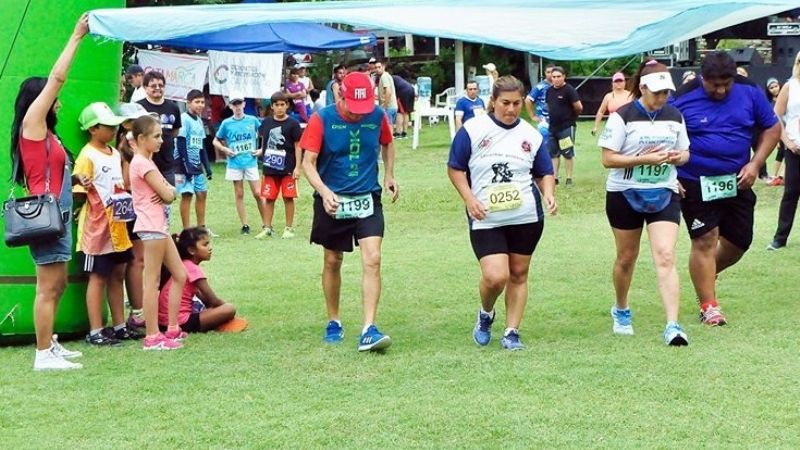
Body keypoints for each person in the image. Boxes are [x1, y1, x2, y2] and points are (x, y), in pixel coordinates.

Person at [670, 51, 780, 326]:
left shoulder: (750, 92)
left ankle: (705, 274)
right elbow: (665, 135)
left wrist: (756, 164)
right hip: (694, 180)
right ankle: (709, 305)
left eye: (725, 84)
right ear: (702, 78)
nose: (720, 90)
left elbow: (772, 128)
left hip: (737, 179)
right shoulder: (683, 96)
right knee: (705, 239)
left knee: (739, 242)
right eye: (713, 85)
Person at [447, 75, 557, 351]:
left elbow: (544, 171)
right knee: (496, 276)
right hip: (486, 216)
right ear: (493, 101)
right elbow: (455, 167)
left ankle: (511, 331)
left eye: (516, 103)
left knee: (519, 273)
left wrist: (549, 194)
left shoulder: (531, 135)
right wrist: (469, 198)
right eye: (505, 103)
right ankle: (486, 313)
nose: (510, 109)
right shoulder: (473, 130)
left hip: (526, 216)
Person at [300, 72, 399, 352]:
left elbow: (388, 142)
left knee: (373, 258)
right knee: (333, 259)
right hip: (332, 199)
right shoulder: (322, 119)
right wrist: (324, 191)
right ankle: (334, 320)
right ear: (340, 95)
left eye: (363, 109)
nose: (358, 115)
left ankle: (369, 327)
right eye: (353, 109)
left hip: (367, 196)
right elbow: (309, 162)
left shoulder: (377, 115)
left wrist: (389, 174)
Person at [11, 14, 88, 371]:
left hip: (58, 213)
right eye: (49, 97)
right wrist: (75, 36)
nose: (56, 100)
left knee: (56, 284)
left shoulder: (48, 134)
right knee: (47, 286)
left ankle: (49, 342)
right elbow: (57, 78)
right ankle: (43, 354)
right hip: (46, 216)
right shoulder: (33, 125)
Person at [597, 61, 691, 346]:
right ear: (643, 88)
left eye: (666, 93)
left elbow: (686, 152)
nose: (662, 98)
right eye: (657, 92)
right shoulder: (622, 117)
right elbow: (607, 159)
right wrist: (643, 159)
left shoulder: (675, 116)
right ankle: (621, 308)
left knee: (665, 255)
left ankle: (673, 325)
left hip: (664, 191)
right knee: (627, 257)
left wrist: (677, 157)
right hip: (624, 193)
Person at [74, 102, 140, 346]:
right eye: (107, 126)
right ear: (93, 129)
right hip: (96, 229)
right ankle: (96, 330)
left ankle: (120, 325)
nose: (112, 131)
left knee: (118, 274)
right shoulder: (86, 155)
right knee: (98, 276)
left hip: (119, 225)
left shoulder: (115, 153)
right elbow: (79, 191)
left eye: (114, 126)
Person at [129, 115, 188, 350]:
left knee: (180, 274)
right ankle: (152, 336)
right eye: (156, 136)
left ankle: (172, 328)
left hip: (159, 226)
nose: (161, 141)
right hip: (151, 226)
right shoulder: (142, 163)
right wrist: (168, 191)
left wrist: (168, 190)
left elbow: (170, 190)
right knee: (151, 281)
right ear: (141, 139)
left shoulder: (147, 162)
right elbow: (168, 194)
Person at [158, 227, 243, 333]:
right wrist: (223, 308)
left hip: (162, 322)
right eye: (205, 245)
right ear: (191, 250)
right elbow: (213, 301)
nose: (210, 248)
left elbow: (201, 296)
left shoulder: (182, 265)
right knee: (229, 309)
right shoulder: (193, 269)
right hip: (182, 322)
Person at [212, 91, 268, 237]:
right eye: (234, 104)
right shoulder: (226, 123)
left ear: (244, 104)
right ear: (230, 106)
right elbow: (215, 140)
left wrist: (261, 150)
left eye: (239, 103)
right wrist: (225, 149)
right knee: (239, 193)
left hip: (250, 162)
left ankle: (266, 224)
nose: (237, 107)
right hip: (235, 163)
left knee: (257, 192)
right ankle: (245, 224)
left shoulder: (252, 120)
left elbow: (265, 134)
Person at [258, 91, 303, 239]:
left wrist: (298, 167)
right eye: (276, 105)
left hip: (288, 168)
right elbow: (264, 141)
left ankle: (289, 228)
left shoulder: (293, 124)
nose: (279, 108)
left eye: (282, 105)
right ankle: (267, 227)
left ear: (287, 105)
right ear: (271, 106)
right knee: (269, 197)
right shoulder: (266, 123)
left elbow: (298, 146)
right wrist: (261, 154)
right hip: (270, 168)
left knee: (288, 197)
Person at [767, 51, 800, 250]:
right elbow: (776, 116)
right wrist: (787, 142)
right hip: (795, 148)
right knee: (791, 193)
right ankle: (780, 238)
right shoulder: (790, 86)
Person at [176, 89, 213, 230]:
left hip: (196, 165)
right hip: (183, 164)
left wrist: (207, 166)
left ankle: (201, 227)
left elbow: (202, 145)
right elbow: (180, 142)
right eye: (197, 102)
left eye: (202, 102)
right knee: (187, 194)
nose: (200, 105)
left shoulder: (199, 120)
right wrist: (186, 164)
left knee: (202, 193)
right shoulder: (184, 119)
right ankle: (186, 229)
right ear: (188, 103)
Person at [137, 71, 182, 186]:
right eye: (153, 86)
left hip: (167, 165)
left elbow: (175, 132)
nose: (157, 88)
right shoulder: (138, 107)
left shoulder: (173, 107)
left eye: (161, 85)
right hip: (145, 164)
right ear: (145, 88)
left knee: (168, 198)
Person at [545, 66, 583, 186]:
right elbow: (548, 106)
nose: (556, 79)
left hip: (566, 127)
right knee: (554, 153)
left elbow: (579, 107)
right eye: (554, 77)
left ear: (564, 76)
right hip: (552, 127)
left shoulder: (569, 90)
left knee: (567, 153)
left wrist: (572, 118)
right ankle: (555, 177)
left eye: (558, 76)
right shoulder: (549, 91)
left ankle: (569, 178)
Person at [592, 72, 633, 136]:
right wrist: (596, 126)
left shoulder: (631, 95)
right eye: (616, 81)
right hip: (612, 127)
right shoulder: (608, 96)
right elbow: (601, 112)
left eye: (621, 81)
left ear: (625, 82)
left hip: (628, 126)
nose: (618, 83)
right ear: (612, 83)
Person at [765, 78, 786, 185]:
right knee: (782, 152)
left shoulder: (787, 97)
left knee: (785, 153)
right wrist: (777, 138)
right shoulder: (769, 104)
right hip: (779, 132)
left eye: (775, 86)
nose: (774, 89)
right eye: (771, 88)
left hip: (789, 130)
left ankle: (781, 177)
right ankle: (774, 176)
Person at [375, 61, 398, 133]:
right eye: (376, 68)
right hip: (392, 106)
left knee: (388, 127)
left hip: (389, 107)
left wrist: (384, 106)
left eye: (379, 67)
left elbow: (388, 91)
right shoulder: (386, 76)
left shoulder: (384, 77)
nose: (377, 69)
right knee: (389, 126)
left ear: (383, 67)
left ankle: (390, 143)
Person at [393, 74, 415, 139]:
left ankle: (398, 132)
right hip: (411, 89)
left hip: (403, 92)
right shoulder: (396, 77)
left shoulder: (387, 79)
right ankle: (404, 132)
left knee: (399, 112)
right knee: (406, 112)